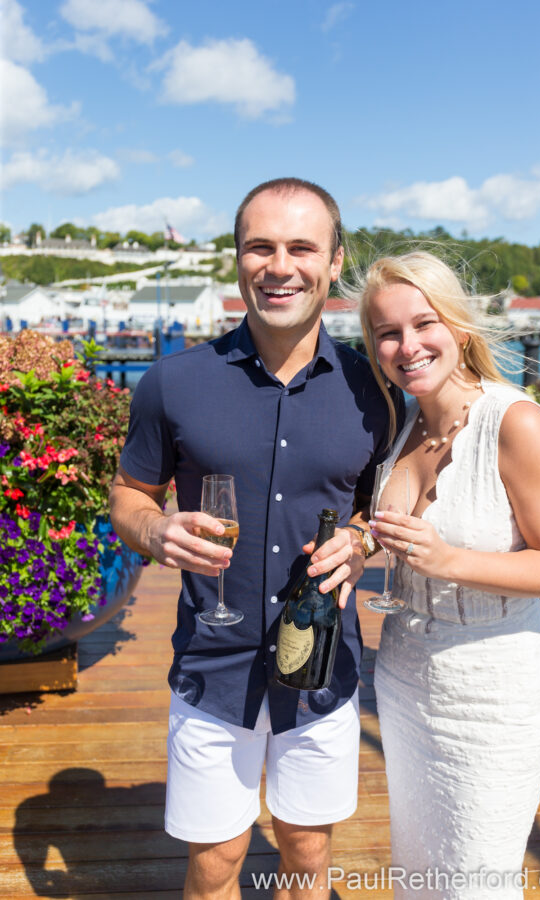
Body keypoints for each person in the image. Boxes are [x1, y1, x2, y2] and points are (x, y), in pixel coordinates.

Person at [109, 178, 401, 899]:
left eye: (302, 247)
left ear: (335, 262)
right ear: (237, 259)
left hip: (323, 666)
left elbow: (386, 514)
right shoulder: (172, 383)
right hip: (212, 663)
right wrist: (155, 528)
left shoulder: (380, 391)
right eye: (260, 247)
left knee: (306, 854)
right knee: (215, 863)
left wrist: (364, 540)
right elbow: (128, 497)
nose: (280, 266)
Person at [356, 252, 540, 899]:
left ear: (459, 326)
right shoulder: (400, 429)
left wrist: (447, 560)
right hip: (402, 677)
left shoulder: (516, 423)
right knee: (421, 876)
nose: (408, 346)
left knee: (476, 883)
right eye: (387, 333)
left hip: (492, 694)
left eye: (423, 323)